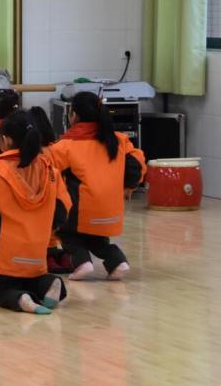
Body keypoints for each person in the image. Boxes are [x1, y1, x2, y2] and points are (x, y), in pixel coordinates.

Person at [0, 110, 72, 315]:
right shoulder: (50, 171)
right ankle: (50, 283)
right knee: (34, 280)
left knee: (3, 291)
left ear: (7, 140)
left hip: (6, 253)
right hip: (37, 249)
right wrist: (50, 228)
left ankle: (22, 299)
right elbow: (64, 204)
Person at [48, 92, 147, 281]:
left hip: (82, 212)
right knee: (97, 239)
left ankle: (82, 262)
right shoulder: (119, 140)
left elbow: (47, 174)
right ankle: (117, 262)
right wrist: (129, 187)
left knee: (65, 231)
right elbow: (137, 164)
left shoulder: (65, 146)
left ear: (73, 115)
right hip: (111, 211)